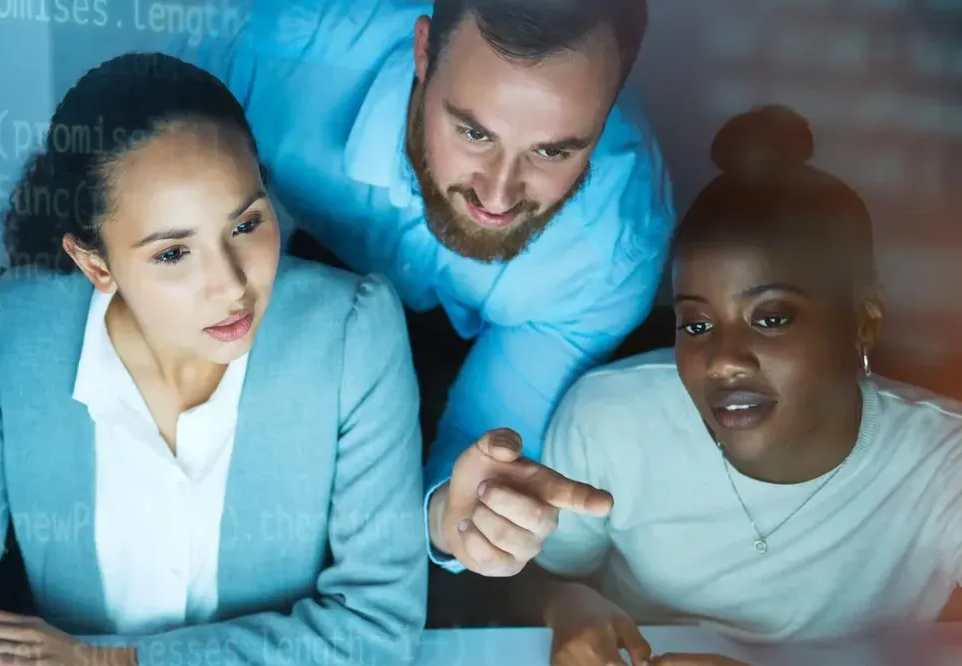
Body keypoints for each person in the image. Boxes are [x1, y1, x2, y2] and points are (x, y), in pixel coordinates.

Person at [0, 52, 429, 666]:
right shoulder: (8, 330)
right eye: (173, 253)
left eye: (247, 223)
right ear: (94, 262)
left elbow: (378, 623)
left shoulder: (352, 332)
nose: (230, 284)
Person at [166, 0, 672, 580]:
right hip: (288, 258)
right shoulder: (260, 51)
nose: (499, 197)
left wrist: (454, 520)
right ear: (423, 50)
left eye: (553, 151)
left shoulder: (615, 247)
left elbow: (479, 447)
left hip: (469, 338)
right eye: (474, 131)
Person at [517, 106, 962, 666]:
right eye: (697, 324)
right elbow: (533, 576)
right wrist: (565, 607)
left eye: (772, 318)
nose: (724, 361)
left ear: (863, 322)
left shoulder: (950, 465)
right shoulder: (611, 419)